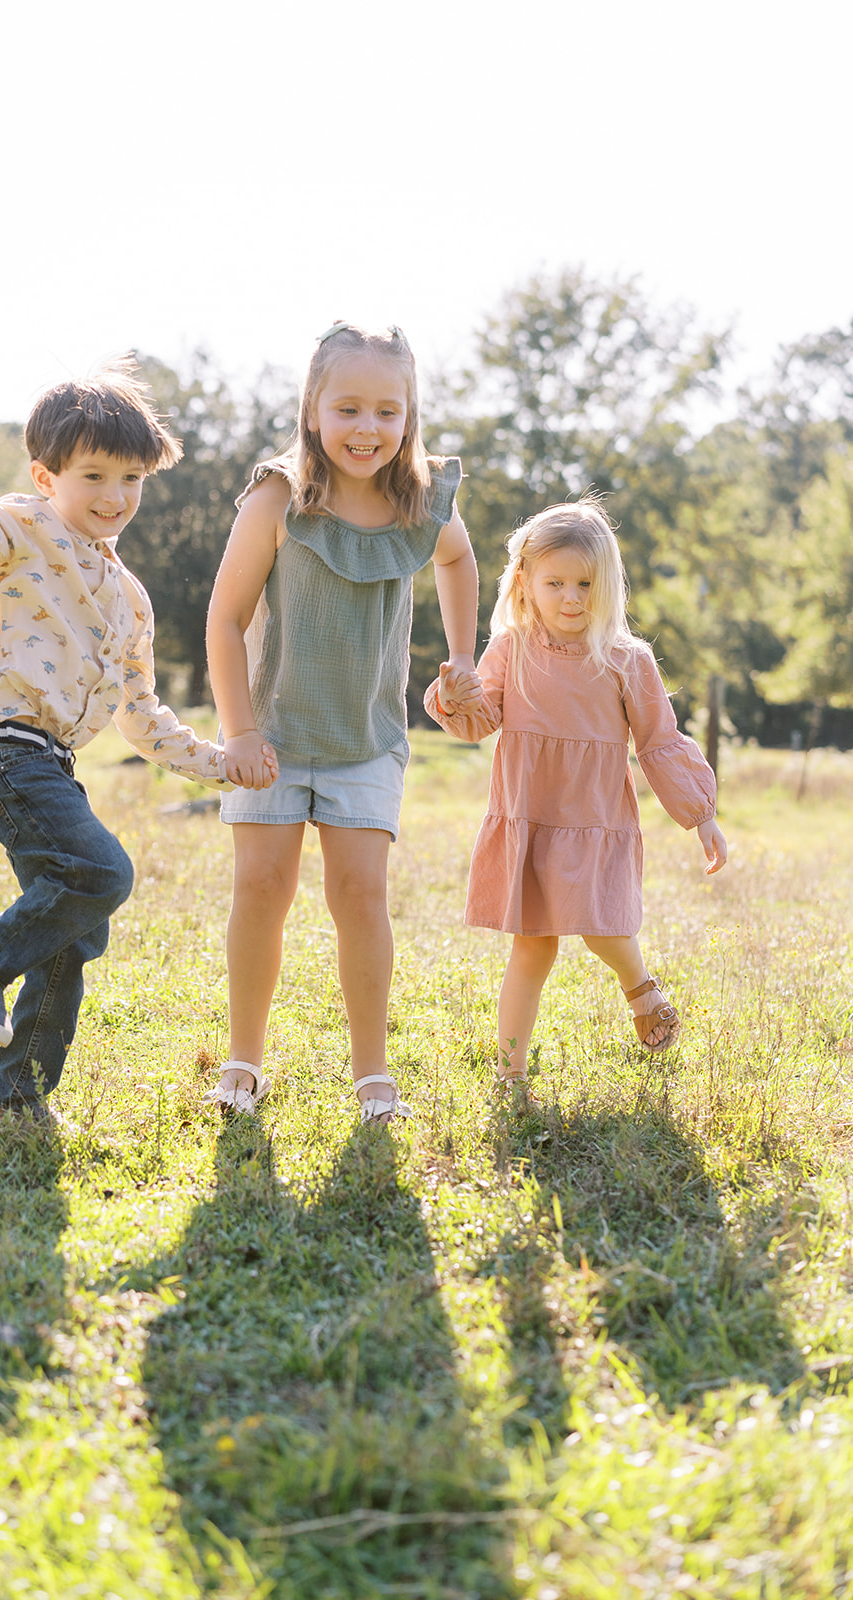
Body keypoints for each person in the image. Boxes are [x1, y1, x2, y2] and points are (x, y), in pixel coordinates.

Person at [0, 320, 274, 1127]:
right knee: (102, 874)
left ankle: (19, 1100)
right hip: (2, 750)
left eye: (132, 479)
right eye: (95, 475)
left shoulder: (129, 597)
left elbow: (141, 718)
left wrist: (222, 762)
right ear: (45, 475)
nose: (115, 496)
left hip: (52, 765)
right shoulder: (16, 529)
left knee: (71, 927)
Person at [204, 321, 481, 1124]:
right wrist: (239, 731)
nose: (368, 429)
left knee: (360, 895)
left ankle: (370, 1075)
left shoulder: (420, 498)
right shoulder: (279, 495)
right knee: (261, 888)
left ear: (409, 415)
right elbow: (224, 619)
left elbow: (458, 559)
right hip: (274, 738)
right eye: (349, 408)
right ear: (313, 408)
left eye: (387, 412)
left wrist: (463, 656)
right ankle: (244, 1062)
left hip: (366, 740)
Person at [425, 495, 727, 1095]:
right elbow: (481, 718)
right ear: (526, 583)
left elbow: (659, 742)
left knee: (600, 926)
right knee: (532, 949)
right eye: (555, 582)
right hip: (530, 814)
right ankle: (510, 1077)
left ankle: (639, 985)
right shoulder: (512, 649)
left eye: (585, 583)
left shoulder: (626, 659)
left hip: (593, 817)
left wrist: (702, 817)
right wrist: (456, 695)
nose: (570, 597)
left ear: (607, 585)